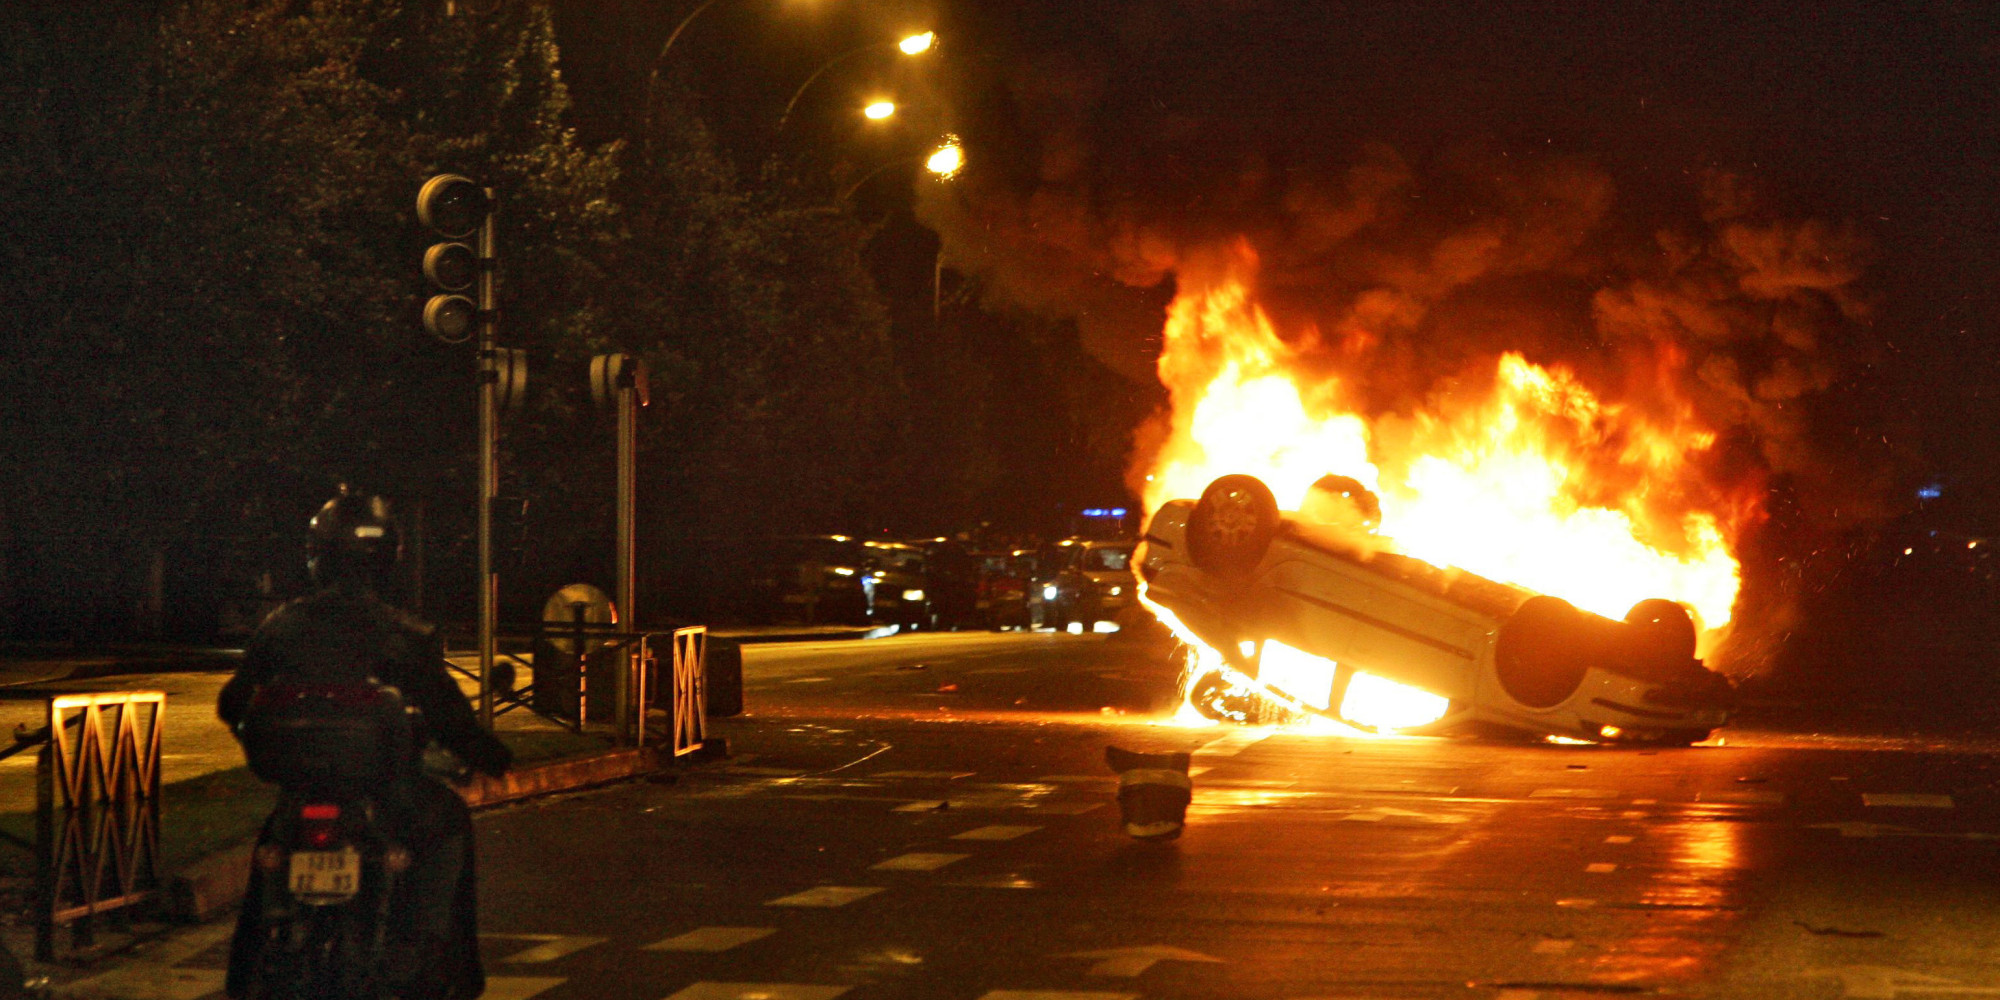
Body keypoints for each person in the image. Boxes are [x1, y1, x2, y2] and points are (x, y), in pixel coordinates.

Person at [220, 488, 512, 1000]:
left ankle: (248, 972)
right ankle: (434, 965)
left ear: (317, 559)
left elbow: (232, 703)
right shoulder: (403, 632)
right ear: (388, 561)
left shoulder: (280, 627)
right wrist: (490, 756)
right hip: (384, 793)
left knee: (270, 852)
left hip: (299, 790)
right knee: (447, 824)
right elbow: (448, 715)